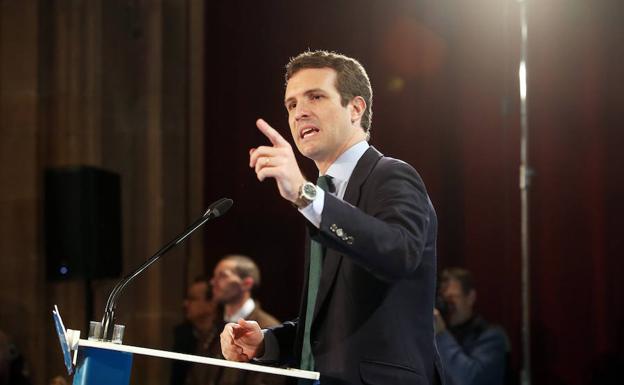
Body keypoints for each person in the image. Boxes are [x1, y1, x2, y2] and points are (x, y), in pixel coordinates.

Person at [219, 50, 443, 385]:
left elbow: (400, 253)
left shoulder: (391, 175)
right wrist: (268, 342)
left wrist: (305, 195)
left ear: (355, 108)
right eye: (291, 104)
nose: (299, 113)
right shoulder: (325, 195)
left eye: (316, 97)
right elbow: (328, 324)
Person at [184, 255, 283, 385]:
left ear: (246, 283)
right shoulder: (214, 325)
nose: (213, 282)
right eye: (214, 276)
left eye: (223, 276)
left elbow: (269, 380)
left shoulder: (268, 329)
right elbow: (197, 374)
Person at [434, 268, 509, 385]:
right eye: (443, 299)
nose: (447, 305)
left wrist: (442, 335)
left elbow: (471, 380)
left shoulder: (491, 337)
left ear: (470, 297)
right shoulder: (438, 336)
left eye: (452, 298)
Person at [170, 275, 219, 385]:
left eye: (192, 299)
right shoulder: (183, 334)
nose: (185, 304)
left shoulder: (224, 337)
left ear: (211, 304)